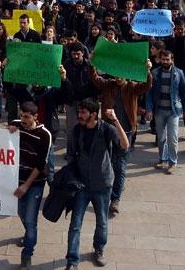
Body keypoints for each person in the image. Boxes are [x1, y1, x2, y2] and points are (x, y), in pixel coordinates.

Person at [65, 98, 129, 269]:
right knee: (75, 224)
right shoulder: (76, 131)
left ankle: (98, 250)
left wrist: (115, 120)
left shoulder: (106, 129)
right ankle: (72, 260)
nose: (79, 115)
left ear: (93, 115)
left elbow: (124, 144)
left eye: (83, 113)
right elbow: (70, 156)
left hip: (102, 185)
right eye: (79, 112)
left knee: (102, 221)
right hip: (81, 186)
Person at [90, 61, 152, 216]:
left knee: (121, 167)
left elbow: (147, 85)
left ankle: (115, 199)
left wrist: (148, 71)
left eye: (121, 75)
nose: (118, 77)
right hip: (108, 132)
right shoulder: (108, 85)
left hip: (126, 133)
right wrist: (92, 64)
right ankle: (105, 194)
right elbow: (95, 78)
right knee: (107, 164)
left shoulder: (132, 87)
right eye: (116, 74)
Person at [8, 102, 52, 270]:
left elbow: (41, 165)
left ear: (35, 117)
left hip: (34, 183)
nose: (23, 120)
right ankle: (29, 236)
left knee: (30, 219)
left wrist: (26, 186)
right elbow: (9, 127)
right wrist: (9, 128)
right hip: (16, 180)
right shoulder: (17, 124)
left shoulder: (44, 135)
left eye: (27, 117)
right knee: (20, 212)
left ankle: (27, 254)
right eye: (21, 116)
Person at [145, 50, 185, 174]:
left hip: (173, 111)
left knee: (173, 137)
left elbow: (184, 92)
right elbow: (149, 93)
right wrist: (149, 109)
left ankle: (172, 162)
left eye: (168, 59)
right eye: (163, 59)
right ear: (160, 60)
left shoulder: (179, 73)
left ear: (172, 60)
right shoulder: (154, 73)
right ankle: (162, 159)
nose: (165, 62)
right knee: (161, 138)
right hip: (159, 111)